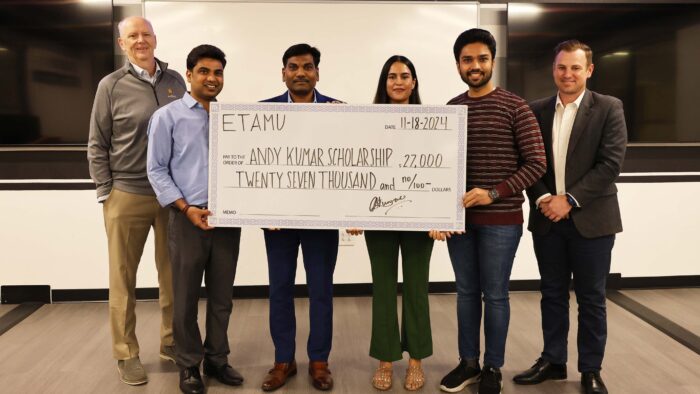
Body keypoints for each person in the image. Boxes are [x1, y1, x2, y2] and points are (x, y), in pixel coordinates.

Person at [431, 28, 547, 394]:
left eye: (482, 58)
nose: (475, 65)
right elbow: (438, 169)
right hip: (460, 222)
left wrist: (493, 194)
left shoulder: (516, 107)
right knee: (465, 292)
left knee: (495, 294)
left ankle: (493, 367)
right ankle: (469, 363)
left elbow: (536, 164)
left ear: (492, 61)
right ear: (458, 65)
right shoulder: (451, 110)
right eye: (467, 60)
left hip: (501, 220)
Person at [513, 40, 627, 394]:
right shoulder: (535, 110)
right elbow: (525, 162)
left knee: (592, 298)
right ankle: (553, 360)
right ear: (554, 69)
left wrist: (570, 200)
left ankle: (591, 370)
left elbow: (610, 164)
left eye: (576, 67)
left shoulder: (609, 108)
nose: (568, 74)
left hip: (592, 221)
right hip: (547, 219)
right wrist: (546, 198)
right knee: (552, 294)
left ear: (589, 71)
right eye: (562, 67)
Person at [87, 16, 186, 386]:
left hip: (172, 196)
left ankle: (171, 343)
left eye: (145, 34)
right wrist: (106, 191)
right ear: (121, 43)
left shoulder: (177, 81)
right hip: (127, 194)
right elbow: (97, 142)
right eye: (133, 36)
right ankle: (126, 353)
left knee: (174, 276)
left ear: (155, 40)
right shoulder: (110, 85)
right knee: (123, 279)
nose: (140, 40)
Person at [147, 44, 244, 394]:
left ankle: (217, 358)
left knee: (222, 297)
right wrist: (187, 208)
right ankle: (189, 366)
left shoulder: (235, 118)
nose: (212, 78)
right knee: (185, 297)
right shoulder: (167, 117)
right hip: (187, 217)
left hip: (227, 219)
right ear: (189, 75)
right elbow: (156, 170)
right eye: (204, 71)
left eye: (218, 72)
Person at [346, 55, 434, 392]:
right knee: (382, 287)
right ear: (385, 83)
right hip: (379, 216)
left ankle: (416, 361)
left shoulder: (433, 122)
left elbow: (442, 169)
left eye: (405, 76)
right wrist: (354, 213)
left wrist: (444, 217)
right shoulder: (367, 122)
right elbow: (357, 169)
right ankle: (385, 359)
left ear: (414, 83)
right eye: (392, 76)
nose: (398, 81)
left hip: (420, 219)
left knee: (416, 287)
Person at [259, 43, 342, 392]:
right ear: (283, 73)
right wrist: (259, 210)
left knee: (321, 290)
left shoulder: (341, 113)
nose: (300, 73)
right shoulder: (260, 114)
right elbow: (255, 166)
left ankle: (319, 361)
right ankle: (284, 360)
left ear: (317, 73)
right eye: (293, 67)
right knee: (279, 289)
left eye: (307, 67)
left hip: (322, 221)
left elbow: (349, 165)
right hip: (279, 221)